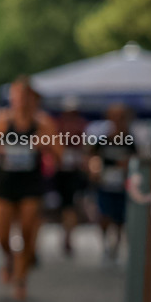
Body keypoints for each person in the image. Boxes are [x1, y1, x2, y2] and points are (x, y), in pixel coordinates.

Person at [0, 76, 59, 302]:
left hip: (30, 184)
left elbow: (59, 154)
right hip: (5, 183)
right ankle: (9, 258)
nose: (18, 101)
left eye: (23, 96)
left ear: (32, 98)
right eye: (14, 96)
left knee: (28, 232)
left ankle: (20, 279)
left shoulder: (43, 123)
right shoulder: (3, 120)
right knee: (1, 235)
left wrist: (45, 146)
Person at [90, 103, 136, 263]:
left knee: (120, 219)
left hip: (122, 186)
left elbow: (137, 160)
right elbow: (92, 158)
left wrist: (127, 166)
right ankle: (105, 245)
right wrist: (94, 170)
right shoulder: (103, 140)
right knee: (104, 216)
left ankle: (115, 245)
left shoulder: (130, 141)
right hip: (105, 184)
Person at [52, 105, 87, 256]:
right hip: (61, 171)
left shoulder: (79, 127)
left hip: (72, 172)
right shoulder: (58, 126)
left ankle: (67, 236)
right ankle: (66, 235)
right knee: (64, 206)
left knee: (69, 206)